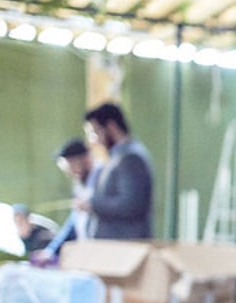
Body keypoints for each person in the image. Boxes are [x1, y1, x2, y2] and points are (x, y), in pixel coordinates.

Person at [81, 102, 153, 239]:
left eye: (95, 132)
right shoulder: (116, 157)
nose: (93, 140)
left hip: (124, 249)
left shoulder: (131, 158)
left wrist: (93, 204)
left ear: (111, 127)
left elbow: (130, 205)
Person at [33, 138, 100, 263]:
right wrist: (50, 251)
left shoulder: (102, 178)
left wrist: (92, 205)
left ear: (85, 159)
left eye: (72, 166)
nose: (70, 172)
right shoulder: (79, 185)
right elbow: (73, 223)